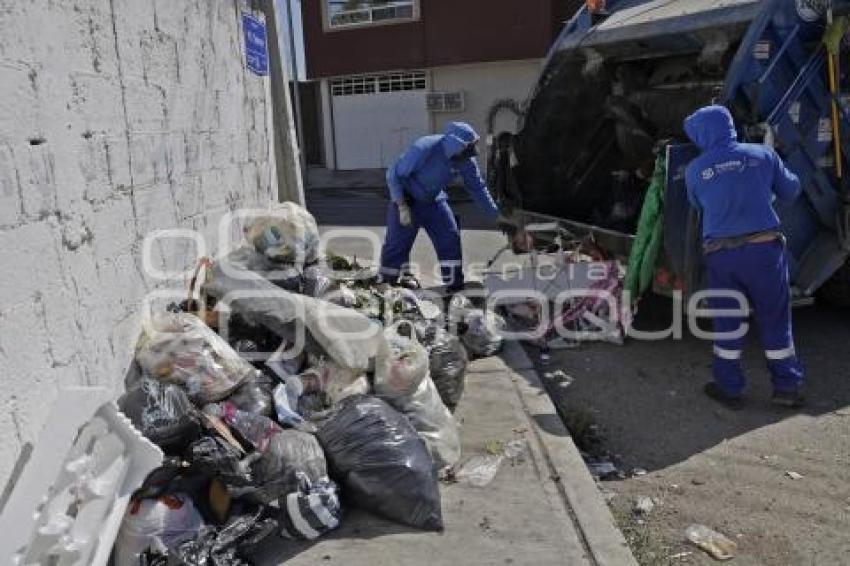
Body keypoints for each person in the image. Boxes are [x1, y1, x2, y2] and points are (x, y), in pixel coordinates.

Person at [683, 105, 805, 409]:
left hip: (721, 256)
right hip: (764, 252)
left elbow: (697, 204)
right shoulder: (763, 155)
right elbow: (792, 190)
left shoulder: (695, 170)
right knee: (775, 319)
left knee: (728, 322)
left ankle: (730, 388)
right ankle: (786, 388)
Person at [378, 122, 501, 292]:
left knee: (449, 238)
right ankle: (386, 284)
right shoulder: (425, 147)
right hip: (407, 201)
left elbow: (477, 187)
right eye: (466, 148)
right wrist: (401, 205)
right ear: (454, 144)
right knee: (397, 245)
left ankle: (455, 286)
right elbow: (393, 174)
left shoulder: (465, 159)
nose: (470, 154)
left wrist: (497, 216)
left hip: (434, 201)